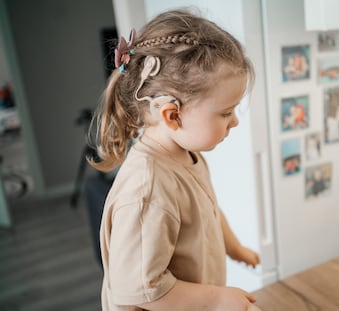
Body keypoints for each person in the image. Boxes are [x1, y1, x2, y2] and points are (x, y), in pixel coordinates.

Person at [88, 8, 261, 311]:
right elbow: (142, 289)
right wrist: (219, 299)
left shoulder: (186, 155)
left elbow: (208, 211)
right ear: (172, 115)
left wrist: (235, 249)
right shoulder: (148, 189)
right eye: (225, 112)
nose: (234, 122)